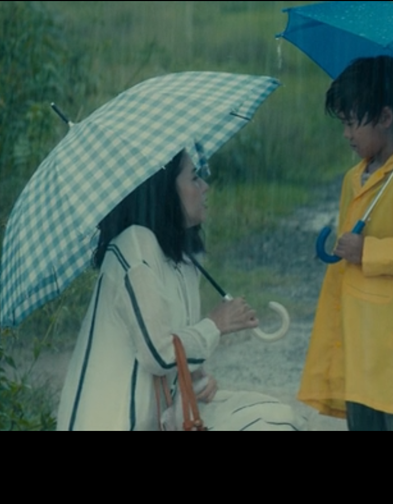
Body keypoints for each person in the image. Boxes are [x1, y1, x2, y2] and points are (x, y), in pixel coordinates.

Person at [57, 149, 303, 431]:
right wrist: (215, 324)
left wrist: (195, 378)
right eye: (194, 178)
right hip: (112, 423)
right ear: (164, 192)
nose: (205, 187)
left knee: (280, 418)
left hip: (161, 421)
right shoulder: (135, 246)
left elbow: (176, 344)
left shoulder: (183, 259)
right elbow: (159, 353)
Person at [298, 56, 393, 431]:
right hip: (362, 337)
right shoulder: (355, 178)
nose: (346, 134)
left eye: (352, 122)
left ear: (385, 117)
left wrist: (368, 251)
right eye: (343, 123)